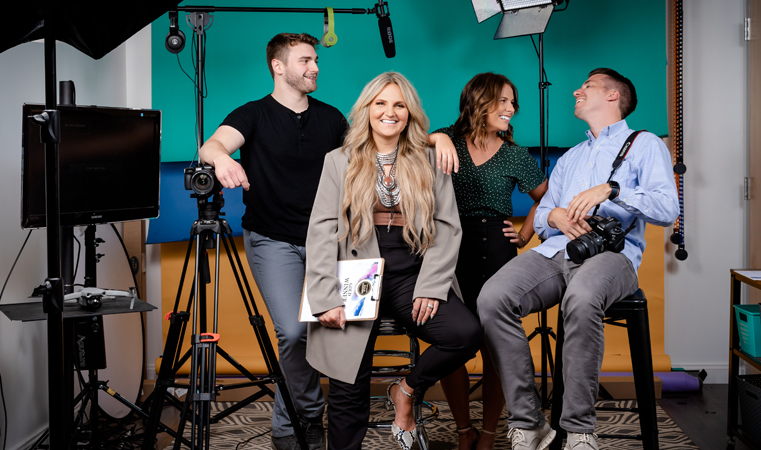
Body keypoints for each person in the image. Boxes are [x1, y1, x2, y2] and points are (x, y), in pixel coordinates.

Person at [199, 34, 458, 450]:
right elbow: (211, 145)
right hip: (276, 240)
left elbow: (385, 133)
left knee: (334, 331)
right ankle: (302, 417)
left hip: (340, 244)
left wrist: (438, 138)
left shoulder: (331, 117)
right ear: (278, 66)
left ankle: (314, 416)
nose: (315, 67)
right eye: (305, 60)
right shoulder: (252, 114)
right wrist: (222, 158)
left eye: (316, 59)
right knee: (294, 331)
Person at [477, 68, 679, 450]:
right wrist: (550, 216)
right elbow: (542, 214)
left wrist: (613, 190)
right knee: (492, 298)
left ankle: (579, 431)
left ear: (613, 96)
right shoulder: (571, 157)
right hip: (556, 251)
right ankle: (529, 423)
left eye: (586, 86)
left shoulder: (646, 144)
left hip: (612, 256)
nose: (576, 90)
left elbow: (667, 209)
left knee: (582, 297)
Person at [304, 71, 482, 450]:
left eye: (399, 104)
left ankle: (406, 389)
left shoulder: (431, 158)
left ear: (410, 112)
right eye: (380, 103)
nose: (390, 112)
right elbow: (320, 231)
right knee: (348, 381)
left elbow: (448, 226)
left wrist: (432, 286)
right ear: (366, 109)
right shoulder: (338, 160)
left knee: (464, 334)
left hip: (412, 275)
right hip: (356, 276)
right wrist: (326, 295)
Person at [432, 73, 548, 450]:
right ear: (479, 101)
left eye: (513, 102)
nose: (511, 109)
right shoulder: (447, 140)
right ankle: (463, 430)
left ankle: (489, 433)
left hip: (499, 251)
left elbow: (547, 196)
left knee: (497, 345)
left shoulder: (515, 154)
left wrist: (527, 231)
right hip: (451, 248)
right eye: (503, 101)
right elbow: (413, 141)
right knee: (452, 343)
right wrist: (437, 138)